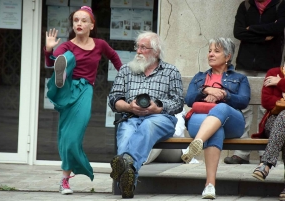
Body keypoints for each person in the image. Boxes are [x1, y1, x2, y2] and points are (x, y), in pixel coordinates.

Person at [44, 6, 122, 195]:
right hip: (67, 89)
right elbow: (50, 63)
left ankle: (66, 177)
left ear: (92, 25)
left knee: (72, 138)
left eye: (83, 20)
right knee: (65, 56)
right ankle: (65, 181)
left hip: (85, 90)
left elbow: (114, 57)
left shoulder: (100, 44)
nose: (79, 23)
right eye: (76, 20)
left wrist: (125, 76)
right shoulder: (67, 45)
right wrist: (48, 50)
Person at [108, 31, 184, 199]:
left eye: (143, 47)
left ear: (156, 52)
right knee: (126, 133)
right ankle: (128, 183)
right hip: (131, 117)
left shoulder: (171, 72)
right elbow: (113, 99)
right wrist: (129, 106)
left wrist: (158, 108)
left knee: (148, 125)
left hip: (160, 119)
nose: (138, 51)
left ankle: (124, 164)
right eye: (137, 47)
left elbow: (178, 102)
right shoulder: (126, 70)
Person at [181, 38, 250, 199]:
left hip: (232, 121)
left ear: (228, 57)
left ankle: (197, 142)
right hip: (199, 118)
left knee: (222, 107)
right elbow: (189, 99)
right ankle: (210, 185)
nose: (211, 54)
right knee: (215, 129)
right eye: (210, 51)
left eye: (216, 51)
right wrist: (206, 90)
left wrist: (224, 94)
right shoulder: (199, 77)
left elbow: (243, 101)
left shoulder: (240, 78)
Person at [224, 0, 285, 164]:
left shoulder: (280, 5)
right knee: (243, 109)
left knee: (266, 110)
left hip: (269, 65)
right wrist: (265, 36)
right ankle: (241, 153)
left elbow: (279, 28)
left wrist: (251, 29)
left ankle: (264, 153)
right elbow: (238, 32)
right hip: (245, 64)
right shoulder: (245, 6)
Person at [250, 66, 285, 200]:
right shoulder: (273, 72)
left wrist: (280, 83)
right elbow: (266, 101)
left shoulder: (277, 78)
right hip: (273, 122)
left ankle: (266, 164)